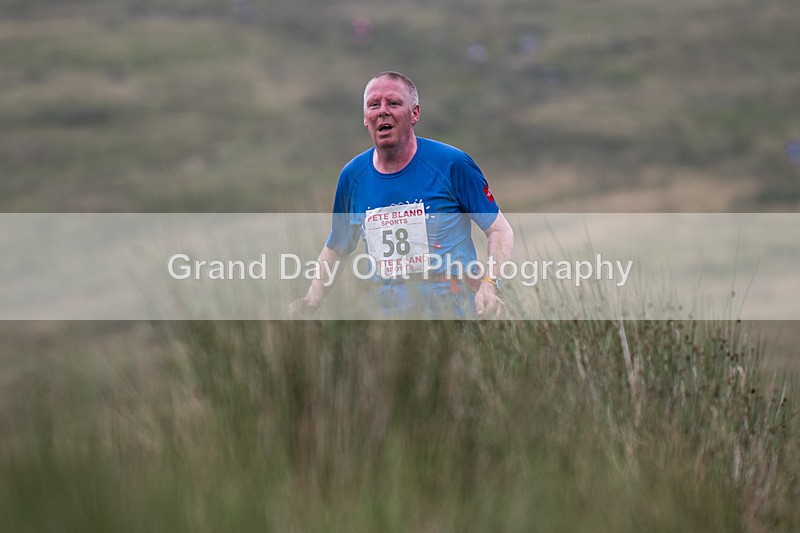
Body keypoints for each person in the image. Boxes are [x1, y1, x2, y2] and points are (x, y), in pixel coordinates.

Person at [289, 71, 513, 318]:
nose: (382, 111)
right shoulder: (352, 176)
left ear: (414, 113)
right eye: (374, 105)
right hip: (386, 325)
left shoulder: (452, 164)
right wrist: (312, 298)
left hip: (452, 314)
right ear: (365, 118)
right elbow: (337, 247)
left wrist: (490, 283)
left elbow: (499, 230)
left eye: (393, 103)